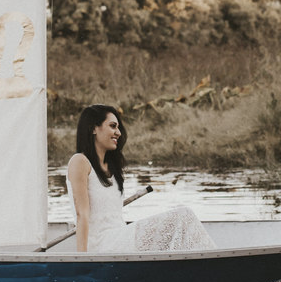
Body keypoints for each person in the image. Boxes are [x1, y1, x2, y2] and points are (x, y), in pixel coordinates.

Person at [66, 104, 216, 252]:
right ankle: (212, 259)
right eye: (112, 126)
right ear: (93, 128)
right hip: (101, 245)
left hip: (119, 237)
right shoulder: (80, 161)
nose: (118, 132)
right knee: (184, 215)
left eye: (118, 127)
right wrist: (83, 261)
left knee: (182, 227)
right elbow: (82, 214)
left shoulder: (112, 168)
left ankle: (202, 262)